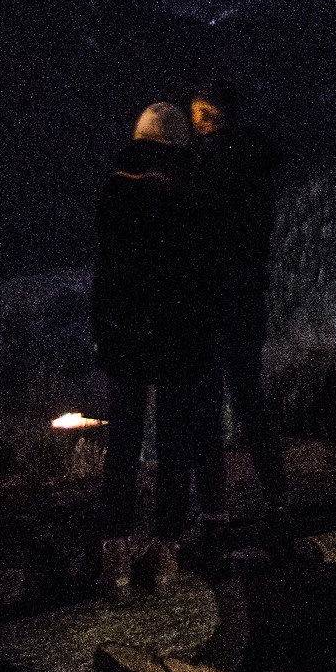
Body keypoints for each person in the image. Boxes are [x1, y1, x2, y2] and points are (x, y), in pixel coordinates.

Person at [91, 100, 227, 567]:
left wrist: (106, 331)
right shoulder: (184, 193)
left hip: (124, 331)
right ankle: (167, 540)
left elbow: (106, 271)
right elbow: (195, 270)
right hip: (174, 333)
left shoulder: (115, 189)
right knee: (173, 436)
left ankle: (114, 543)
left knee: (124, 439)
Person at [188, 78, 288, 543]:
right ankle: (276, 497)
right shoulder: (256, 164)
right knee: (248, 398)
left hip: (213, 302)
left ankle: (213, 510)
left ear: (218, 115)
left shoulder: (208, 166)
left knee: (210, 404)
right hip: (246, 299)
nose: (198, 126)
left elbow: (202, 237)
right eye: (196, 117)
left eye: (203, 115)